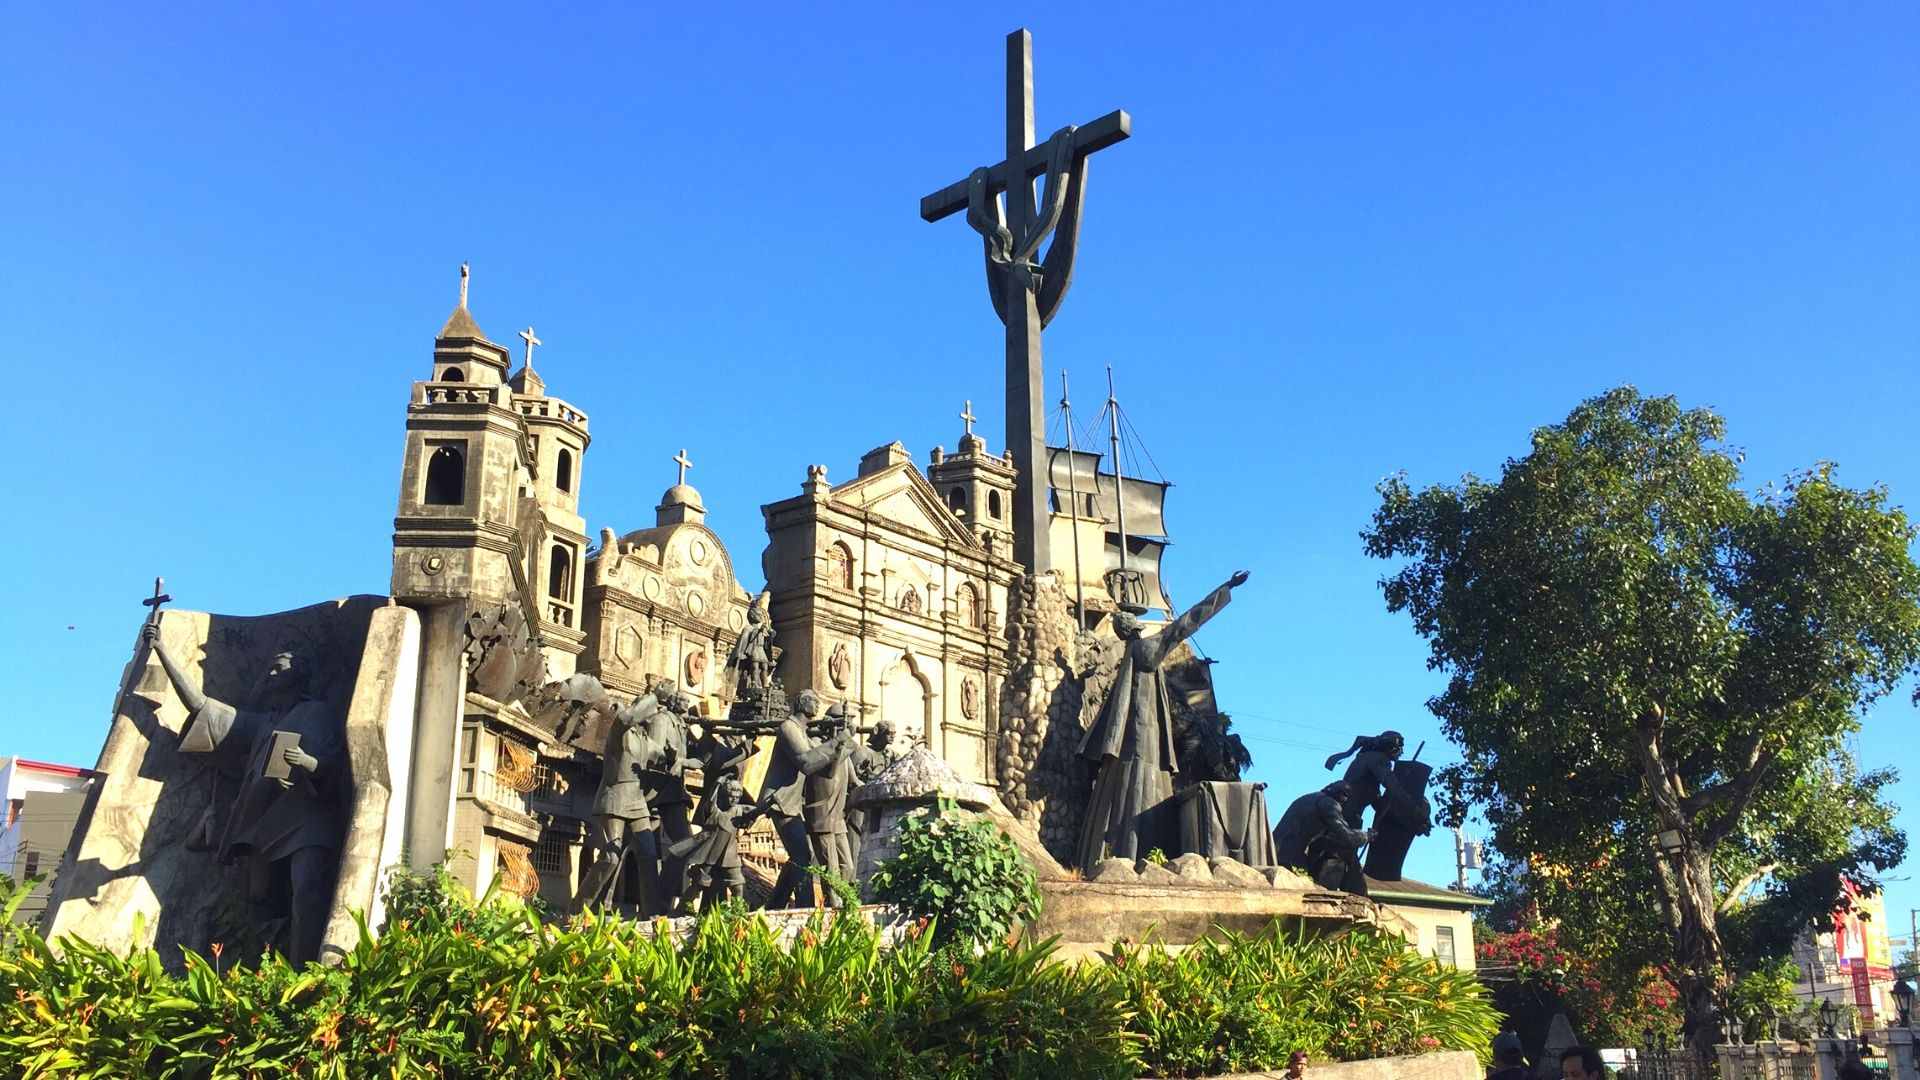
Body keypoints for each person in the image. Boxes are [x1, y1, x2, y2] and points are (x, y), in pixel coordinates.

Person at [144, 622, 347, 966]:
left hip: (308, 819)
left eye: (279, 664)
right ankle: (270, 970)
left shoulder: (318, 712)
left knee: (308, 888)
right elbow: (201, 705)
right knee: (259, 900)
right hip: (266, 823)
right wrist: (162, 651)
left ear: (298, 673)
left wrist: (307, 762)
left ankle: (306, 975)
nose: (271, 669)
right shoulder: (261, 724)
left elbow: (339, 767)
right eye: (270, 665)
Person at [1075, 570, 1250, 871]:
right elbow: (1185, 624)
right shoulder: (1146, 649)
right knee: (1147, 786)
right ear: (1134, 627)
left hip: (1136, 737)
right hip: (1144, 736)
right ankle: (1146, 850)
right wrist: (1224, 590)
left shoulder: (1131, 654)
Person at [575, 685, 675, 912]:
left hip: (637, 801)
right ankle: (579, 908)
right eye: (651, 709)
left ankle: (651, 913)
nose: (654, 713)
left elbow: (659, 753)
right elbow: (629, 716)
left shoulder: (644, 739)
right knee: (611, 855)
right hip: (615, 798)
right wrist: (653, 697)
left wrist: (679, 756)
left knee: (649, 855)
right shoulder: (620, 728)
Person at [757, 690, 854, 908]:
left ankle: (775, 905)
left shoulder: (803, 732)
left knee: (799, 857)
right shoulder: (788, 728)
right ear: (802, 702)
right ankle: (805, 906)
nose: (818, 705)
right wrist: (838, 740)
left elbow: (825, 766)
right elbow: (807, 763)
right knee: (802, 856)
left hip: (792, 804)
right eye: (814, 701)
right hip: (780, 801)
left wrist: (845, 744)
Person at [1271, 780, 1371, 894]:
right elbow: (1347, 836)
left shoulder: (1310, 798)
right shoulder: (1328, 804)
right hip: (1288, 856)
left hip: (1278, 849)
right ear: (1342, 797)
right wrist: (1366, 836)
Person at [1324, 730, 1405, 831]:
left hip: (1345, 812)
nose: (1402, 752)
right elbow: (1393, 787)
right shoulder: (1378, 759)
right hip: (1346, 816)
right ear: (1392, 747)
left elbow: (1374, 797)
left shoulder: (1367, 761)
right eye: (1400, 748)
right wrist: (1415, 811)